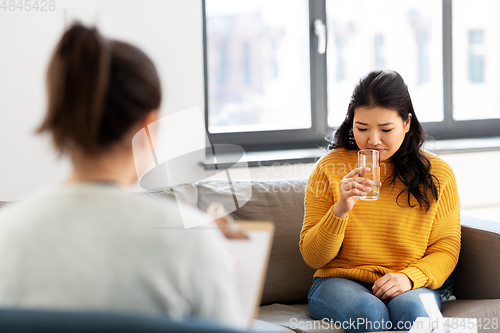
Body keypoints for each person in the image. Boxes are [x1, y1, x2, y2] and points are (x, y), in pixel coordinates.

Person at [0, 24, 244, 329]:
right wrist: (220, 271)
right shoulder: (192, 245)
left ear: (64, 120)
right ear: (148, 126)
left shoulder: (5, 235)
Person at [300, 70, 460, 333]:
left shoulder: (438, 173)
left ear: (407, 123)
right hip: (338, 281)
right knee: (369, 313)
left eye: (386, 129)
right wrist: (340, 209)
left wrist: (410, 278)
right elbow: (313, 256)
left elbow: (446, 247)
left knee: (413, 312)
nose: (372, 140)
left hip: (407, 281)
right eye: (362, 128)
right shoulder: (329, 168)